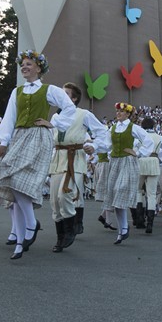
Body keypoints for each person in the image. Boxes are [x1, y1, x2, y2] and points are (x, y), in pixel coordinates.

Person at [0, 50, 76, 259]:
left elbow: (69, 107)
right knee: (12, 182)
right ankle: (21, 239)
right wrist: (3, 143)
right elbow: (9, 119)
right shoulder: (16, 91)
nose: (24, 67)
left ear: (39, 68)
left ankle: (29, 225)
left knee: (19, 182)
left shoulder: (48, 90)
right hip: (19, 137)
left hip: (38, 137)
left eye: (29, 64)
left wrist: (53, 122)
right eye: (23, 65)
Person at [47, 82, 109, 253]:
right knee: (54, 200)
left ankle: (70, 229)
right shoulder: (55, 117)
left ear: (74, 99)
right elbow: (51, 141)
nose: (62, 96)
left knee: (65, 194)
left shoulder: (84, 114)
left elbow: (102, 133)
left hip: (75, 158)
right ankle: (60, 237)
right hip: (58, 158)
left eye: (66, 94)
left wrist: (95, 146)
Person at [104, 102, 154, 244]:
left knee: (120, 190)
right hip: (115, 162)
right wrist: (95, 148)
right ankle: (123, 230)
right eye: (117, 111)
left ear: (128, 114)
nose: (118, 113)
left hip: (127, 162)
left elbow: (148, 141)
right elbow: (106, 144)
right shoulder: (112, 128)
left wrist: (138, 153)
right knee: (115, 196)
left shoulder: (133, 128)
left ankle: (124, 228)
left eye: (121, 111)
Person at [135, 117, 162, 233]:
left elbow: (134, 149)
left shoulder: (139, 137)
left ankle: (140, 219)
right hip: (154, 161)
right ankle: (150, 224)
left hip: (141, 162)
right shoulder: (160, 137)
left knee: (138, 191)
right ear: (154, 126)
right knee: (151, 194)